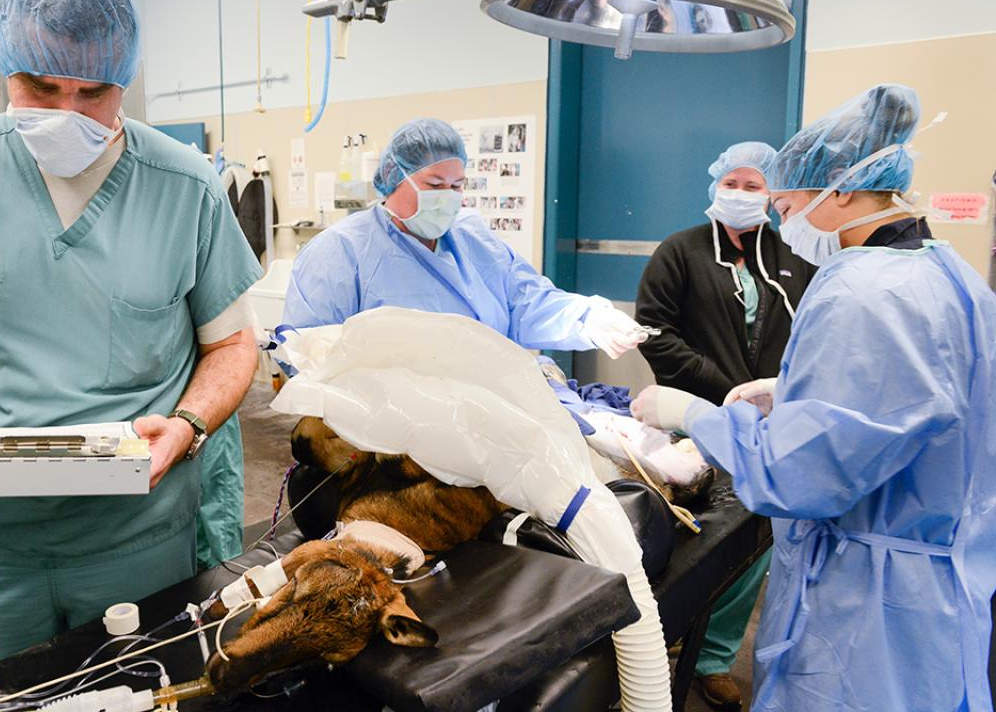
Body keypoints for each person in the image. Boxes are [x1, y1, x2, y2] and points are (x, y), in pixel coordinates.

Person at [0, 0, 261, 682]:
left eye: (95, 91)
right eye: (41, 88)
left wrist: (189, 424)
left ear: (126, 79)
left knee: (143, 695)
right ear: (4, 70)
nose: (68, 113)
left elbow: (232, 346)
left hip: (136, 537)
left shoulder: (185, 185)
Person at [631, 84, 996, 711]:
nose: (783, 219)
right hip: (945, 579)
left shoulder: (860, 291)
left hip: (868, 606)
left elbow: (797, 477)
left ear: (842, 191)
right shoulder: (947, 271)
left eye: (789, 202)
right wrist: (795, 389)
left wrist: (694, 413)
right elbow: (927, 398)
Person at [634, 142, 815, 710]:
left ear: (773, 194)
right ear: (715, 185)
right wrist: (719, 395)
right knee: (692, 535)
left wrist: (772, 397)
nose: (740, 194)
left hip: (769, 423)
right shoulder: (681, 250)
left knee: (751, 540)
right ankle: (659, 641)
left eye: (754, 185)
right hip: (695, 417)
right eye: (731, 183)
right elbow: (656, 332)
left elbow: (811, 335)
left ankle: (713, 655)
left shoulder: (793, 254)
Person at [282, 117, 647, 360]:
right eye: (435, 185)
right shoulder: (341, 251)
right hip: (385, 435)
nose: (448, 196)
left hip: (484, 411)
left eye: (457, 185)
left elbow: (526, 303)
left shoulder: (473, 240)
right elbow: (309, 351)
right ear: (394, 179)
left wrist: (588, 319)